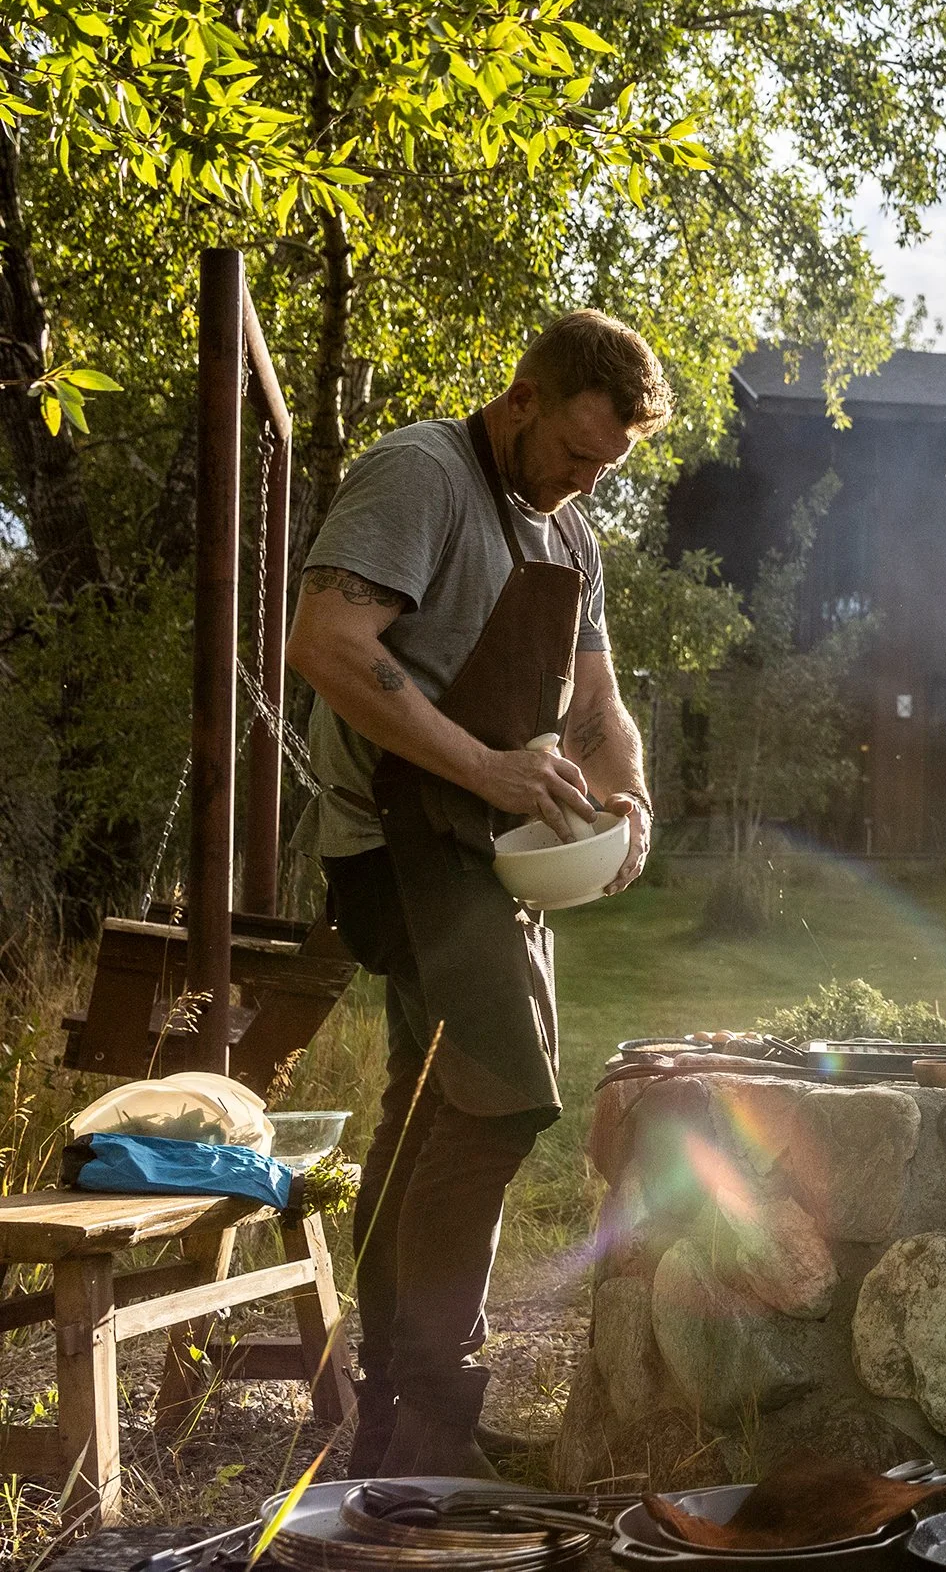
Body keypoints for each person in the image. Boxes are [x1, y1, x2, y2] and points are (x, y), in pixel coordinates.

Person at [285, 311, 667, 1477]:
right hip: (390, 840)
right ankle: (433, 1409)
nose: (581, 478)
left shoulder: (573, 538)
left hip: (489, 849)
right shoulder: (421, 473)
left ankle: (394, 1414)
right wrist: (492, 767)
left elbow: (596, 711)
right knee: (502, 1097)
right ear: (521, 394)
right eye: (573, 450)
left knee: (427, 1103)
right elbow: (327, 640)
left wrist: (630, 796)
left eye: (605, 465)